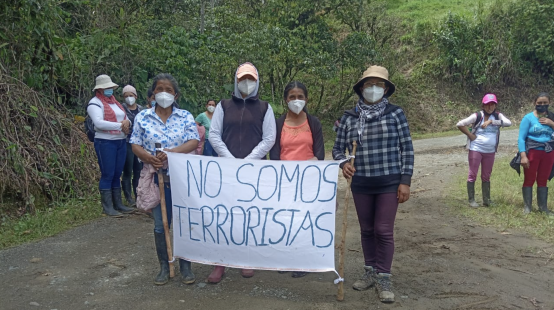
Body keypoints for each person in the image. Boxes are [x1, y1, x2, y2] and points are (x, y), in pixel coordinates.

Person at [332, 66, 413, 304]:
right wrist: (344, 163)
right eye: (369, 84)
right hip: (361, 183)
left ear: (386, 89)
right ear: (361, 88)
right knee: (367, 230)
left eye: (379, 84)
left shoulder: (396, 114)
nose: (374, 88)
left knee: (383, 230)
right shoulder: (349, 117)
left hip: (389, 182)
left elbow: (407, 148)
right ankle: (370, 271)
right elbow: (338, 149)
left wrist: (405, 181)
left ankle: (384, 276)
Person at [207, 62, 276, 283]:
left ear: (257, 81)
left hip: (253, 171)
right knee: (223, 216)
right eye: (242, 79)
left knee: (249, 215)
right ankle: (220, 262)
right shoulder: (223, 105)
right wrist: (229, 159)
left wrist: (248, 161)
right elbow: (214, 134)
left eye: (251, 79)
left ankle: (246, 259)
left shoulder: (265, 108)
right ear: (236, 82)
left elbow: (269, 138)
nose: (247, 83)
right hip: (225, 170)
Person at [130, 73, 200, 285]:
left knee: (183, 223)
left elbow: (193, 141)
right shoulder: (143, 117)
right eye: (159, 89)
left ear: (176, 94)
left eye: (168, 90)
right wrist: (148, 157)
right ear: (152, 94)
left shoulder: (185, 116)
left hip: (181, 179)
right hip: (155, 178)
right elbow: (135, 144)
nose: (164, 93)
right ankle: (164, 265)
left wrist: (171, 153)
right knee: (161, 225)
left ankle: (185, 266)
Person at [269, 81, 324, 278]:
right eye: (292, 97)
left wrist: (311, 166)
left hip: (307, 180)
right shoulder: (278, 123)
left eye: (300, 96)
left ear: (306, 99)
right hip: (285, 180)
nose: (296, 100)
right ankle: (286, 259)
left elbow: (320, 153)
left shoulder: (313, 123)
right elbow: (274, 154)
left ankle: (302, 261)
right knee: (285, 219)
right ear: (286, 100)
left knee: (303, 219)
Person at [87, 75, 135, 217]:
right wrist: (121, 125)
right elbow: (99, 123)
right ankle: (107, 206)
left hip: (120, 140)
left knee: (116, 173)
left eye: (111, 88)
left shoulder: (115, 103)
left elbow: (126, 119)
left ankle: (118, 203)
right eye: (107, 88)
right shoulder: (95, 103)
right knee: (107, 174)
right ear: (100, 89)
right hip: (105, 141)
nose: (110, 90)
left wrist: (127, 124)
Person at [456, 94, 512, 208]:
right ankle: (471, 200)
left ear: (495, 105)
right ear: (483, 105)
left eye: (492, 104)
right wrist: (470, 135)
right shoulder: (477, 115)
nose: (490, 107)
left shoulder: (497, 116)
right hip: (476, 149)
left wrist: (492, 122)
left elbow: (508, 123)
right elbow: (460, 124)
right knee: (472, 174)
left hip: (490, 151)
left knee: (486, 175)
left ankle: (487, 200)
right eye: (487, 105)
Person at [518, 92, 554, 216]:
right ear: (535, 103)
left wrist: (551, 124)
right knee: (529, 179)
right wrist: (523, 155)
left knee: (543, 180)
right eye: (539, 103)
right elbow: (521, 138)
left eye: (545, 103)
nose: (542, 105)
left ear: (549, 103)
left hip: (548, 153)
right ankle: (527, 207)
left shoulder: (552, 117)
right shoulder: (528, 118)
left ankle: (543, 207)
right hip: (532, 152)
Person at [121, 85, 143, 207]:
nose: (129, 98)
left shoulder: (141, 110)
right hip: (127, 142)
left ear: (136, 96)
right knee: (128, 170)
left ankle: (138, 195)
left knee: (138, 170)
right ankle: (128, 197)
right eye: (126, 96)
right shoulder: (121, 109)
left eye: (131, 95)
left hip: (139, 144)